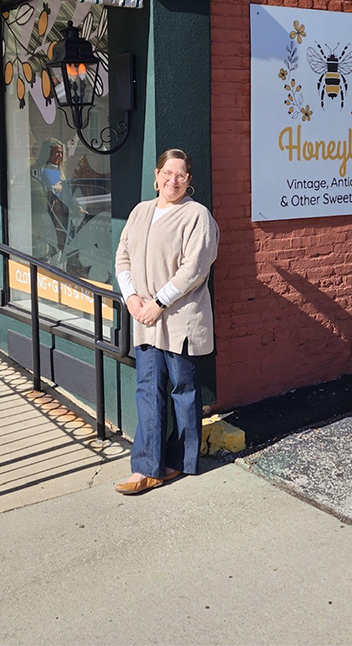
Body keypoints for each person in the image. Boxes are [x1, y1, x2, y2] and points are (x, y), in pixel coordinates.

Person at [114, 148, 219, 495]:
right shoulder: (140, 212)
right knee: (148, 390)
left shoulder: (196, 216)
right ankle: (146, 466)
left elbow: (194, 268)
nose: (173, 180)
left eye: (181, 175)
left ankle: (179, 462)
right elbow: (123, 256)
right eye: (167, 173)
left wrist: (159, 302)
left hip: (177, 318)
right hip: (143, 317)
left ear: (189, 181)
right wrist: (131, 297)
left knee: (183, 390)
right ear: (156, 175)